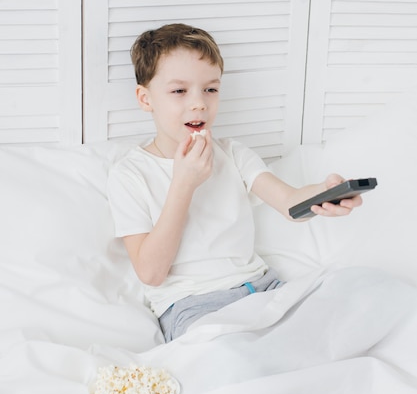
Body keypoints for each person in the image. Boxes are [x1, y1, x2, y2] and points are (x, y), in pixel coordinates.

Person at [107, 23, 362, 342]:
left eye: (210, 89)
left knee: (362, 296)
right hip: (193, 307)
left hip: (262, 289)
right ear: (146, 99)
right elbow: (151, 273)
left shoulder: (232, 154)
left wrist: (325, 194)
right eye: (179, 91)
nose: (199, 103)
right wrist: (183, 184)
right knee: (234, 358)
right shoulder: (129, 175)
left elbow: (289, 201)